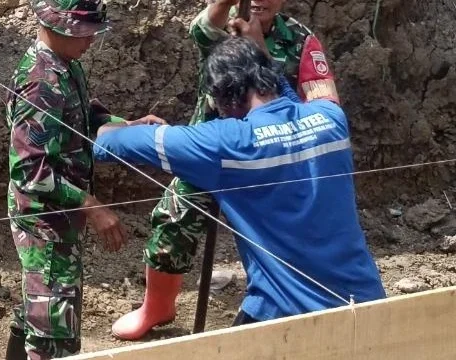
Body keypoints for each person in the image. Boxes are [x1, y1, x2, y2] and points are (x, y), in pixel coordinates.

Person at [112, 0, 339, 339]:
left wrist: (262, 53)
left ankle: (283, 303)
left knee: (280, 236)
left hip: (272, 158)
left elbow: (325, 105)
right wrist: (223, 2)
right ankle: (157, 308)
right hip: (214, 151)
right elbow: (200, 31)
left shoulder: (301, 40)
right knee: (172, 219)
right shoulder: (227, 28)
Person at [96, 36, 384, 325]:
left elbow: (109, 144)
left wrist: (109, 127)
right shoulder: (331, 118)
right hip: (367, 304)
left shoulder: (226, 142)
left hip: (285, 316)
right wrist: (261, 50)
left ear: (224, 96)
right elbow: (292, 106)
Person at [6, 0, 164, 360]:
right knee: (53, 336)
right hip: (45, 220)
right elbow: (29, 171)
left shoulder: (65, 65)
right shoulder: (41, 84)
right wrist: (92, 206)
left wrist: (123, 125)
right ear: (57, 25)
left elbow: (83, 112)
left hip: (60, 216)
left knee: (38, 311)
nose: (91, 39)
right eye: (85, 31)